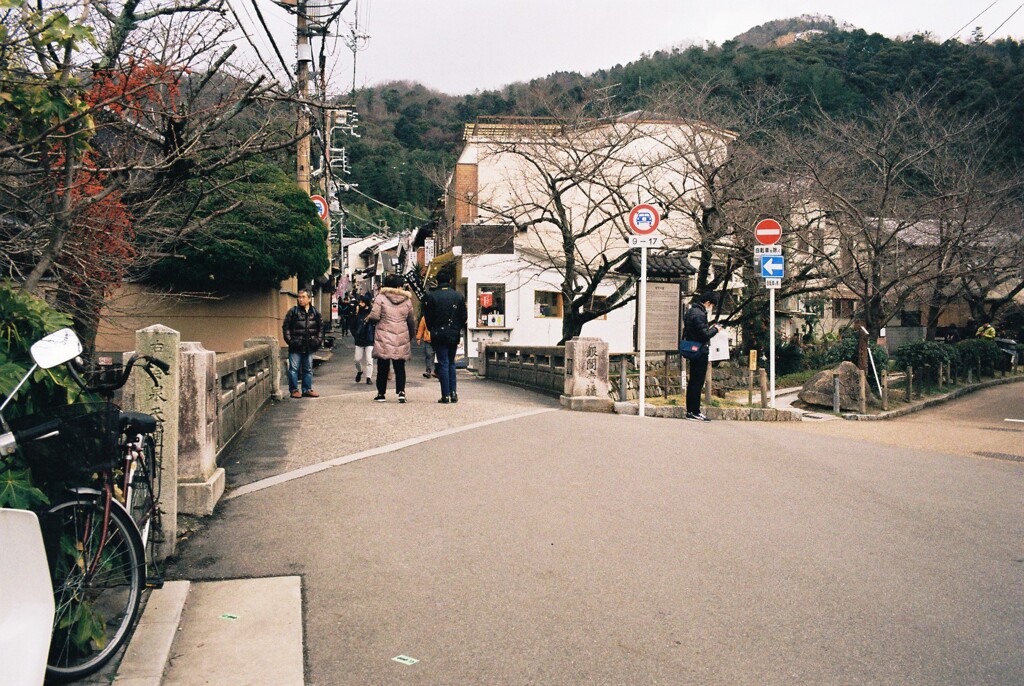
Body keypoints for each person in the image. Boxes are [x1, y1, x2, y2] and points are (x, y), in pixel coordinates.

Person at [366, 273, 417, 403]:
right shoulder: (407, 300)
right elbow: (411, 320)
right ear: (399, 285)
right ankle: (401, 392)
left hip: (384, 335)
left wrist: (370, 320)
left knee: (383, 365)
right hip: (401, 335)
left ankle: (381, 393)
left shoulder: (381, 297)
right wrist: (411, 335)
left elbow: (375, 316)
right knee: (400, 365)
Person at [422, 270, 467, 404]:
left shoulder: (432, 296)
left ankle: (445, 395)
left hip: (438, 333)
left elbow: (428, 318)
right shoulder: (458, 296)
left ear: (438, 281)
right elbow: (464, 316)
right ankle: (453, 393)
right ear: (450, 281)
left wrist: (432, 329)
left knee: (443, 362)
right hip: (453, 333)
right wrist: (456, 327)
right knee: (451, 362)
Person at [681, 292, 720, 422]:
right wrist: (715, 329)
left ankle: (690, 411)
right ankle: (695, 411)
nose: (711, 308)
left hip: (693, 350)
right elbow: (704, 335)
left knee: (693, 382)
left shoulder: (691, 311)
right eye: (712, 305)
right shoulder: (699, 314)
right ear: (708, 302)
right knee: (697, 383)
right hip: (700, 351)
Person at [282, 288, 323, 399]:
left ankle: (307, 389)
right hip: (296, 345)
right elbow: (286, 328)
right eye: (299, 297)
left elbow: (320, 328)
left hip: (309, 345)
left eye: (303, 297)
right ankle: (294, 390)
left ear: (309, 299)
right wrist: (290, 341)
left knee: (308, 369)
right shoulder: (293, 311)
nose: (300, 299)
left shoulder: (314, 312)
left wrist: (318, 341)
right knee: (293, 369)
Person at [352, 292, 375, 385]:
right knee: (357, 359)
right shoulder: (358, 313)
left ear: (366, 303)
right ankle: (360, 370)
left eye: (362, 302)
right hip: (359, 340)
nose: (360, 304)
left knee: (370, 360)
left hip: (369, 339)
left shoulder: (372, 313)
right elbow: (352, 324)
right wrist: (355, 335)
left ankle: (368, 378)